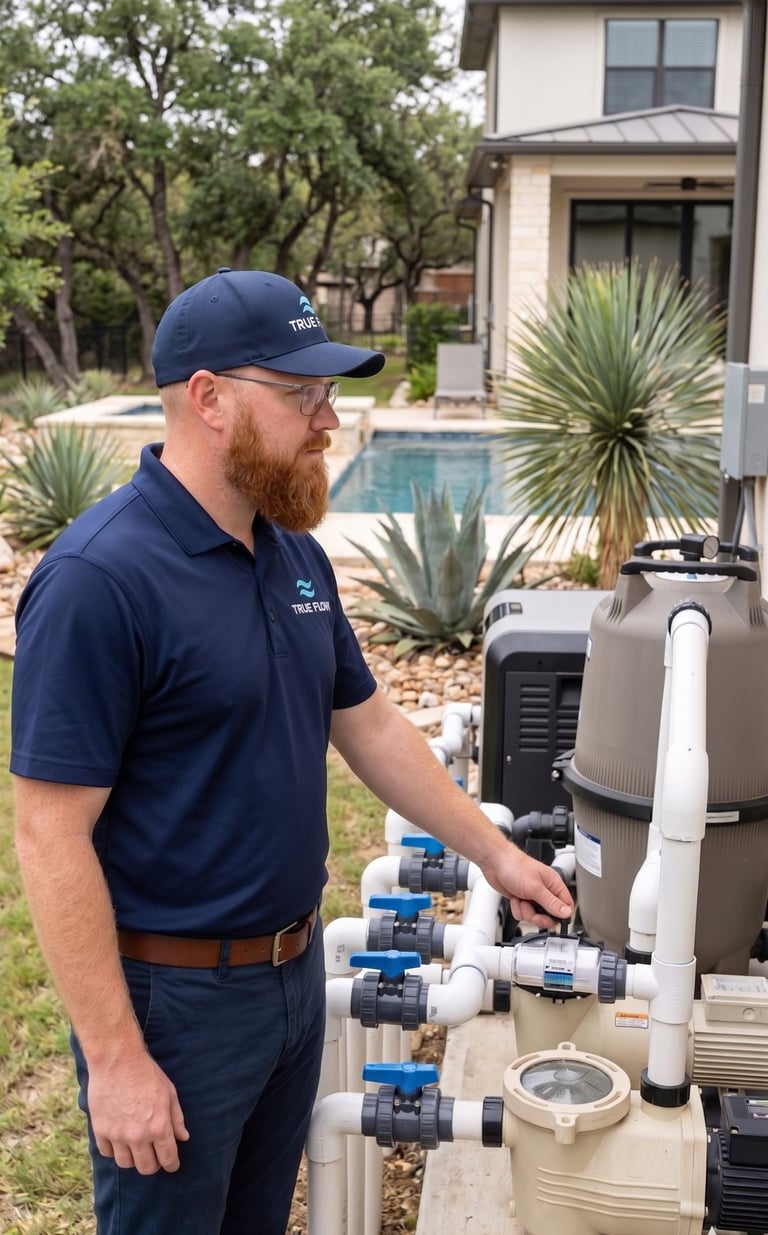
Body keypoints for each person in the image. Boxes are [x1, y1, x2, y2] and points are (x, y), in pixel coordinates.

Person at [11, 267, 573, 1235]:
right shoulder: (100, 580)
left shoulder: (292, 554)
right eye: (303, 394)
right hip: (174, 1003)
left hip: (292, 978)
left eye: (331, 393)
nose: (329, 419)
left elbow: (369, 724)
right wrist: (115, 1057)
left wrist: (496, 851)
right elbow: (50, 828)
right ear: (209, 399)